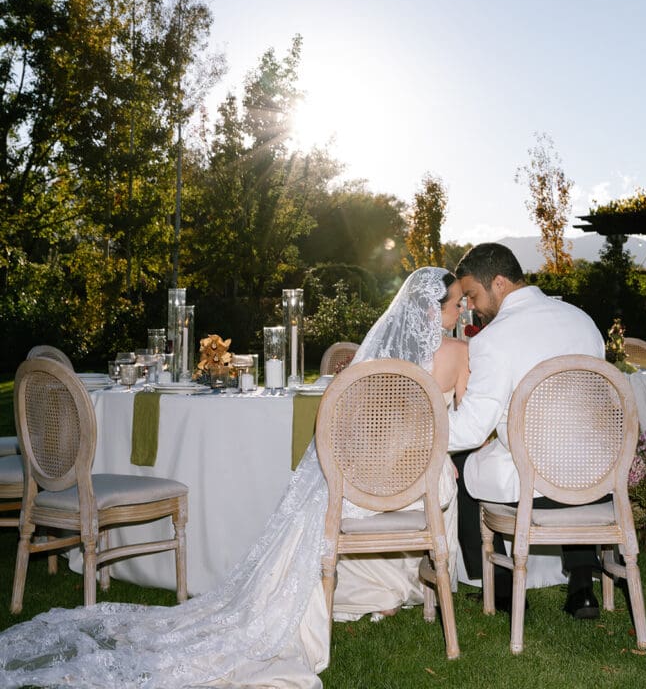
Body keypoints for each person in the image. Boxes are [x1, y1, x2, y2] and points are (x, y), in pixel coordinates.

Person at [0, 268, 469, 689]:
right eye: (454, 304)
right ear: (433, 308)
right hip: (412, 482)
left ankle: (376, 590)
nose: (459, 310)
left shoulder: (375, 358)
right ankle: (416, 588)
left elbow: (349, 427)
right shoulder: (459, 354)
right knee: (443, 483)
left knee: (333, 502)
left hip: (360, 483)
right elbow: (461, 421)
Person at [447, 242, 605, 620]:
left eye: (472, 294)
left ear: (499, 283)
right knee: (565, 456)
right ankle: (583, 580)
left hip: (535, 483)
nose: (470, 306)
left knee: (464, 459)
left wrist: (424, 430)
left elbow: (471, 428)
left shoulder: (492, 339)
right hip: (597, 474)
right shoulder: (583, 320)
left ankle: (500, 588)